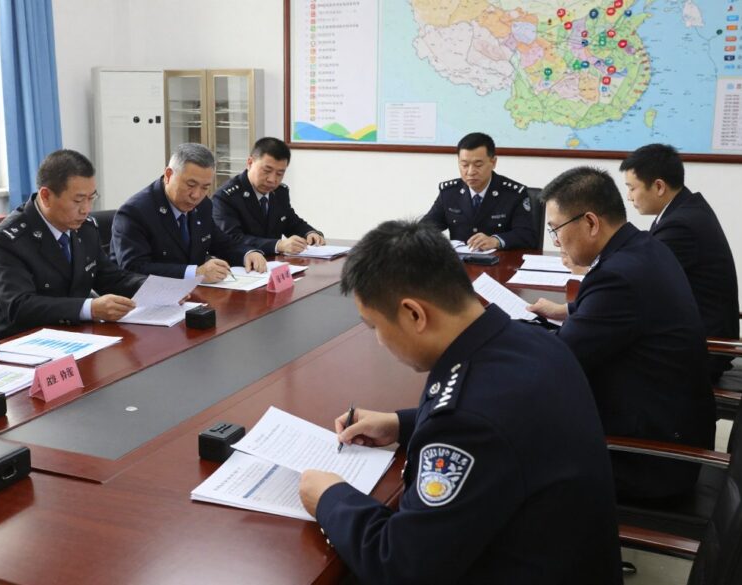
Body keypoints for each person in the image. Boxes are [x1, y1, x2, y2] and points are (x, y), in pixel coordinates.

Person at [297, 220, 621, 584]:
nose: (379, 343)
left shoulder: (466, 419)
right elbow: (503, 423)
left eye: (375, 328)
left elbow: (402, 567)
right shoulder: (532, 340)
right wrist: (403, 423)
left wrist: (329, 499)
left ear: (414, 314)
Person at [527, 167, 715, 501]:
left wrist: (501, 340)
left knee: (513, 451)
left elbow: (559, 364)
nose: (556, 242)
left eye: (556, 230)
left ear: (591, 223)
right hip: (666, 425)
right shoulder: (641, 248)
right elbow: (604, 323)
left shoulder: (620, 276)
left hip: (649, 458)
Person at [0, 149, 147, 338]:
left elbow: (110, 277)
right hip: (25, 342)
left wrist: (160, 288)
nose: (86, 209)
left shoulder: (85, 229)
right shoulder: (6, 241)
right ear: (46, 196)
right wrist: (90, 308)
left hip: (78, 334)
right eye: (78, 200)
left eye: (91, 198)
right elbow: (21, 306)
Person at [620, 144, 739, 383]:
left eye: (632, 188)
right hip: (694, 332)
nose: (629, 196)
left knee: (609, 360)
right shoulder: (683, 209)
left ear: (659, 186)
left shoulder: (681, 225)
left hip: (703, 349)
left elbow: (637, 279)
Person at [111, 143, 267, 283]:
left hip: (191, 296)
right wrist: (195, 273)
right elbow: (134, 268)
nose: (196, 195)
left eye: (205, 187)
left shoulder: (203, 205)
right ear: (168, 175)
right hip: (146, 301)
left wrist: (248, 254)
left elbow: (220, 242)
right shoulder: (135, 212)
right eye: (190, 185)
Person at [421, 132, 536, 250]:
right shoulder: (449, 193)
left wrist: (496, 240)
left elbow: (527, 235)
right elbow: (424, 228)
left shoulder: (513, 194)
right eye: (464, 165)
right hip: (460, 265)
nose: (470, 172)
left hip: (500, 264)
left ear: (493, 162)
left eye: (478, 165)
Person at [212, 137, 324, 255]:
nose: (272, 180)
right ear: (250, 163)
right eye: (266, 170)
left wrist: (309, 233)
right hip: (241, 266)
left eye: (280, 174)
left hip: (274, 265)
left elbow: (290, 221)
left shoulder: (280, 192)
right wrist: (278, 245)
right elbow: (232, 239)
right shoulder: (227, 197)